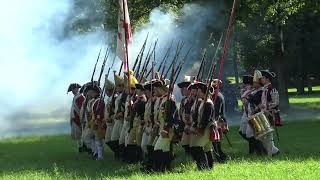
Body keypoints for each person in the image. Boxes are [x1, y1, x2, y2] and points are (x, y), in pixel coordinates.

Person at [153, 79, 177, 172]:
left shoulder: (169, 100)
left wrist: (166, 129)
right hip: (162, 128)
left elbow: (172, 117)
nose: (154, 91)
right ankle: (165, 169)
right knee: (165, 150)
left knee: (157, 148)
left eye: (156, 89)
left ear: (160, 89)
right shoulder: (163, 99)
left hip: (167, 130)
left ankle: (159, 169)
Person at [189, 82, 214, 170]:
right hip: (203, 128)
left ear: (203, 92)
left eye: (199, 91)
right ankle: (209, 167)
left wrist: (201, 129)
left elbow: (206, 119)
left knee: (197, 147)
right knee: (207, 149)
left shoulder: (208, 103)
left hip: (206, 128)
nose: (197, 93)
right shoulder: (203, 102)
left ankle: (203, 167)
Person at [81, 82, 105, 160]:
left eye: (89, 91)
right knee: (88, 138)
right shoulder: (92, 101)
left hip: (97, 122)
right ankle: (95, 152)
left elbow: (100, 111)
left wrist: (97, 120)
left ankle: (100, 155)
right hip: (92, 122)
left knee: (98, 140)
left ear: (94, 92)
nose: (88, 93)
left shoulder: (99, 101)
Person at [259, 70, 281, 156]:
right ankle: (274, 151)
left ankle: (270, 153)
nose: (261, 80)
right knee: (263, 135)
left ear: (267, 79)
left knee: (268, 134)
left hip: (270, 114)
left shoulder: (272, 89)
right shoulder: (264, 89)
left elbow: (275, 102)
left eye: (263, 78)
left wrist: (267, 107)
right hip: (264, 113)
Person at [110, 71, 127, 160]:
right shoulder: (117, 96)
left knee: (121, 140)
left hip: (122, 120)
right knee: (114, 140)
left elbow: (125, 108)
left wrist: (121, 114)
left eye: (121, 85)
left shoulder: (125, 95)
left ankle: (122, 156)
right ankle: (119, 155)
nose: (118, 87)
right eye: (117, 86)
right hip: (117, 120)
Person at [211, 79, 229, 163]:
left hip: (218, 121)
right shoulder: (217, 95)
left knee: (216, 142)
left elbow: (217, 111)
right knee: (215, 142)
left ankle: (221, 158)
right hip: (218, 120)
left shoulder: (217, 96)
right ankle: (220, 157)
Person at [239, 75, 256, 154]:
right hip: (246, 112)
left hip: (250, 112)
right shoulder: (245, 90)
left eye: (246, 84)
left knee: (250, 133)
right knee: (242, 132)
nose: (244, 86)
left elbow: (246, 103)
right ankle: (254, 147)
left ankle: (253, 149)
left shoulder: (251, 91)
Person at [177, 76, 193, 154]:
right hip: (185, 125)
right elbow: (181, 114)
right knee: (184, 143)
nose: (181, 90)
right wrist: (181, 128)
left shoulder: (194, 100)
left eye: (183, 88)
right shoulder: (184, 100)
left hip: (193, 125)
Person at [68, 83, 85, 152]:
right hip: (75, 118)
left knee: (82, 135)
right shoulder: (75, 97)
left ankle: (84, 148)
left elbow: (82, 109)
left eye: (74, 89)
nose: (73, 91)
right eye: (72, 89)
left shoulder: (80, 97)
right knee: (78, 135)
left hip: (79, 118)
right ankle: (81, 147)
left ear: (77, 89)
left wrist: (81, 118)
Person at [103, 78, 117, 153]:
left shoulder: (115, 98)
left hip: (113, 122)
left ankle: (118, 153)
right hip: (109, 123)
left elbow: (116, 111)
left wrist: (111, 117)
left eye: (106, 90)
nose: (105, 92)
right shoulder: (109, 99)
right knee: (108, 140)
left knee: (114, 140)